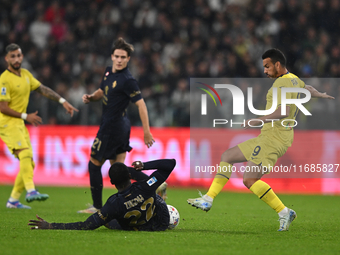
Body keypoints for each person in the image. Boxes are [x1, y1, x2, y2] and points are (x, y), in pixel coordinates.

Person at [188, 48, 335, 231]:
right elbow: (307, 89)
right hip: (268, 136)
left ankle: (284, 212)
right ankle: (208, 199)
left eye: (267, 66)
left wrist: (257, 120)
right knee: (227, 156)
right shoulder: (294, 80)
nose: (264, 71)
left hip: (274, 138)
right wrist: (319, 94)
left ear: (278, 65)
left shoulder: (282, 83)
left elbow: (284, 112)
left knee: (249, 179)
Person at [78, 38, 157, 213]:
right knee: (118, 169)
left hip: (112, 127)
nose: (120, 60)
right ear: (112, 57)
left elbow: (141, 104)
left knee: (94, 164)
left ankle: (97, 207)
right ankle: (154, 183)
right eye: (117, 56)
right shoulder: (108, 73)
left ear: (128, 59)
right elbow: (102, 91)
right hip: (120, 125)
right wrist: (92, 97)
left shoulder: (128, 80)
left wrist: (146, 132)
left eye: (123, 57)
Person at [0, 43, 78, 209]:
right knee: (26, 154)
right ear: (7, 59)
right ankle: (31, 191)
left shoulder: (26, 75)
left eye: (18, 55)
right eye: (12, 56)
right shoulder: (4, 79)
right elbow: (3, 107)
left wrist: (62, 101)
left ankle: (13, 200)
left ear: (22, 57)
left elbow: (42, 89)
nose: (16, 59)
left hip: (19, 123)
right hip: (6, 123)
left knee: (29, 163)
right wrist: (25, 116)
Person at [28, 159, 176, 231]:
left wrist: (51, 226)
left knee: (106, 219)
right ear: (130, 175)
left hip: (132, 226)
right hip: (156, 225)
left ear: (112, 182)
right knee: (156, 197)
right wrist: (144, 166)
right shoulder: (146, 185)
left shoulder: (113, 203)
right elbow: (170, 163)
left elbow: (86, 225)